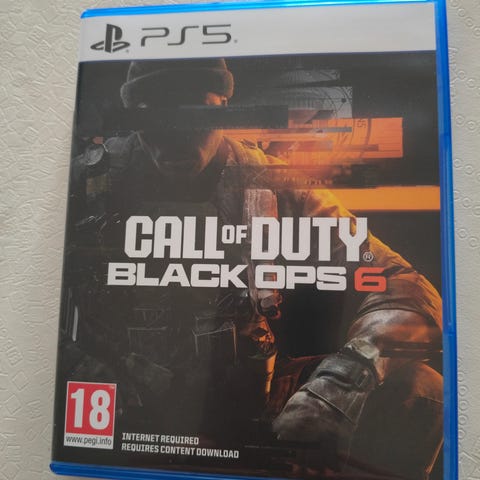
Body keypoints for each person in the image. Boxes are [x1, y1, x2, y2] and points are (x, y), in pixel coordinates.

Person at [65, 58, 443, 480]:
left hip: (253, 412)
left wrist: (339, 386)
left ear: (224, 107)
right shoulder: (90, 181)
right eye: (155, 117)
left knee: (421, 390)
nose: (173, 138)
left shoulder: (278, 185)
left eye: (194, 115)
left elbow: (404, 286)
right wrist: (80, 369)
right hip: (125, 409)